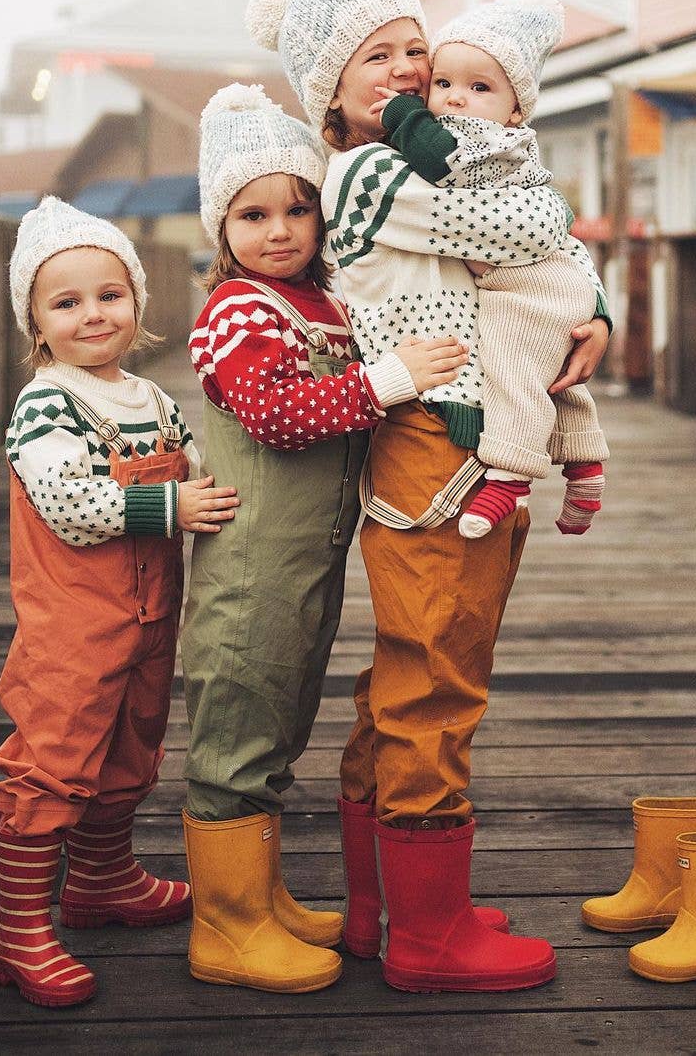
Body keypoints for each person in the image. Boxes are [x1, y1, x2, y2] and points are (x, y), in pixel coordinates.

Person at [247, 0, 611, 993]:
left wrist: (594, 310)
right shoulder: (373, 172)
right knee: (435, 679)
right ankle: (430, 934)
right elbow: (531, 227)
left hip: (455, 435)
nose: (409, 69)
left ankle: (385, 907)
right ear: (330, 85)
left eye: (417, 47)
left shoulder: (430, 162)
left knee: (410, 672)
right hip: (440, 444)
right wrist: (566, 255)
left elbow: (549, 257)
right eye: (379, 56)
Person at [180, 84, 469, 993]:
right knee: (237, 724)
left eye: (299, 207)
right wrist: (385, 379)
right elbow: (274, 412)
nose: (279, 229)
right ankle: (224, 924)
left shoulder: (324, 301)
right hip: (251, 569)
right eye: (252, 213)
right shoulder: (238, 311)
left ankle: (259, 894)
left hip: (307, 565)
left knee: (281, 720)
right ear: (220, 227)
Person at [0, 197, 239, 1008]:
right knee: (54, 758)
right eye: (66, 302)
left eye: (110, 295)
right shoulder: (48, 402)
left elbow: (194, 464)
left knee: (132, 746)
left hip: (150, 617)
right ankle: (17, 930)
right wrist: (173, 508)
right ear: (36, 318)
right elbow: (67, 499)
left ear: (137, 303)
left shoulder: (152, 399)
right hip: (73, 625)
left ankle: (100, 880)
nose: (92, 314)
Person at [372, 0, 610, 539]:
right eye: (444, 84)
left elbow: (442, 162)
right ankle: (584, 463)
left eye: (479, 87)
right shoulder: (490, 139)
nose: (455, 99)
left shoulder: (478, 141)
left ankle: (512, 473)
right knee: (554, 376)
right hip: (551, 278)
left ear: (516, 108)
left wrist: (404, 111)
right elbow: (555, 226)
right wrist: (595, 306)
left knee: (512, 363)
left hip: (531, 282)